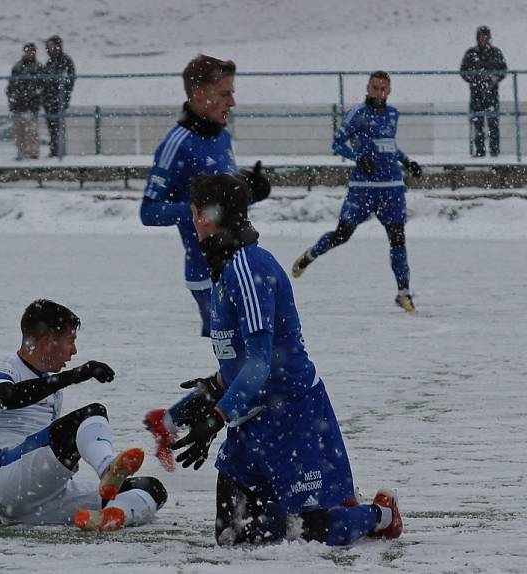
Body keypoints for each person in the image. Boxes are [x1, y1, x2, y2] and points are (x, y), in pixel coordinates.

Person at [168, 173, 402, 546]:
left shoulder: (249, 267)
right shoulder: (226, 268)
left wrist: (216, 417)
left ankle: (379, 515)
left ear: (207, 216)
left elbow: (260, 364)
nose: (191, 220)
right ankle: (319, 505)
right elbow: (238, 362)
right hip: (249, 424)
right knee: (232, 534)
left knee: (319, 532)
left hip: (290, 417)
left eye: (194, 212)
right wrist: (184, 410)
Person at [140, 55, 270, 471]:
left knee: (245, 359)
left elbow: (224, 195)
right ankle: (246, 446)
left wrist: (248, 188)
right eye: (224, 93)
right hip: (207, 275)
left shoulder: (221, 137)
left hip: (239, 266)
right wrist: (202, 210)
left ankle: (170, 420)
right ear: (198, 95)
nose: (232, 101)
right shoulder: (177, 143)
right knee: (249, 360)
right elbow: (149, 210)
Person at [0, 299, 167, 532]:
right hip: (3, 476)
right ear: (47, 342)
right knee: (91, 414)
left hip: (42, 501)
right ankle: (107, 468)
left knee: (151, 488)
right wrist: (75, 375)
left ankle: (114, 515)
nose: (74, 351)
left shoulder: (51, 387)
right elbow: (2, 397)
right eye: (70, 342)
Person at [291, 71, 422, 312]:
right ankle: (310, 255)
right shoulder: (358, 114)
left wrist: (407, 161)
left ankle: (403, 292)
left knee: (397, 238)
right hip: (363, 189)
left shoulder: (393, 114)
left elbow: (389, 145)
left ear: (389, 91)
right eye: (375, 88)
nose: (379, 92)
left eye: (383, 88)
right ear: (368, 88)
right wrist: (358, 158)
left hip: (391, 187)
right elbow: (337, 143)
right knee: (343, 234)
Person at [460, 26, 507, 157]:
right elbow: (463, 71)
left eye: (485, 36)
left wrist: (493, 79)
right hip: (476, 95)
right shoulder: (471, 53)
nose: (483, 39)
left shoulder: (496, 52)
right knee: (478, 123)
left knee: (493, 123)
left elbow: (503, 70)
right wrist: (475, 80)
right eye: (481, 36)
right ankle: (480, 151)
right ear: (478, 37)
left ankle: (494, 152)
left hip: (492, 94)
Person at [6, 42, 43, 160]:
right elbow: (11, 85)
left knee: (31, 130)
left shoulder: (38, 67)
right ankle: (21, 151)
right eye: (27, 51)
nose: (29, 53)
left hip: (31, 104)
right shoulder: (17, 67)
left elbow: (41, 86)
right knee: (19, 130)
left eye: (31, 51)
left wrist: (35, 97)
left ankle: (33, 152)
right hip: (18, 104)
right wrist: (12, 97)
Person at [41, 35, 75, 158]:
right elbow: (44, 81)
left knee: (58, 127)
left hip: (59, 100)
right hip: (48, 100)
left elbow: (70, 80)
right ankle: (54, 150)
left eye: (53, 45)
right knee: (51, 127)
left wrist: (64, 97)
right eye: (49, 46)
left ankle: (59, 151)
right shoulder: (49, 63)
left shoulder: (65, 61)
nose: (52, 48)